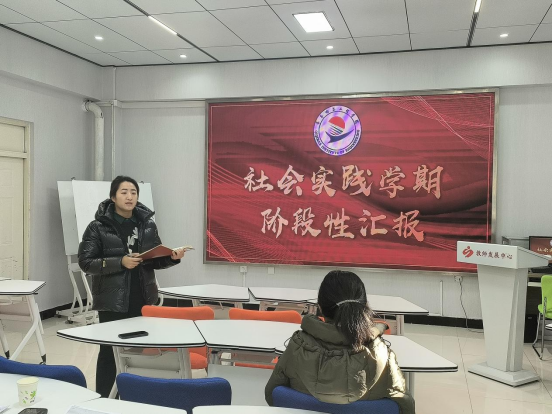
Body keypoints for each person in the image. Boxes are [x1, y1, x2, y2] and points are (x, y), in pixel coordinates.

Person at [78, 175, 186, 398]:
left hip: (142, 297)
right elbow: (86, 262)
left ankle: (132, 396)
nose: (129, 197)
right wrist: (121, 262)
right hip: (112, 301)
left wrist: (171, 257)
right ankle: (105, 399)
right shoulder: (97, 227)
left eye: (133, 192)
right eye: (124, 192)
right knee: (110, 352)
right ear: (113, 197)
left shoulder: (147, 224)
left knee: (138, 352)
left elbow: (154, 260)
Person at [265, 270, 415, 414]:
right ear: (364, 307)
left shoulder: (297, 347)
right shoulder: (381, 353)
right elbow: (404, 405)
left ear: (320, 307)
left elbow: (272, 394)